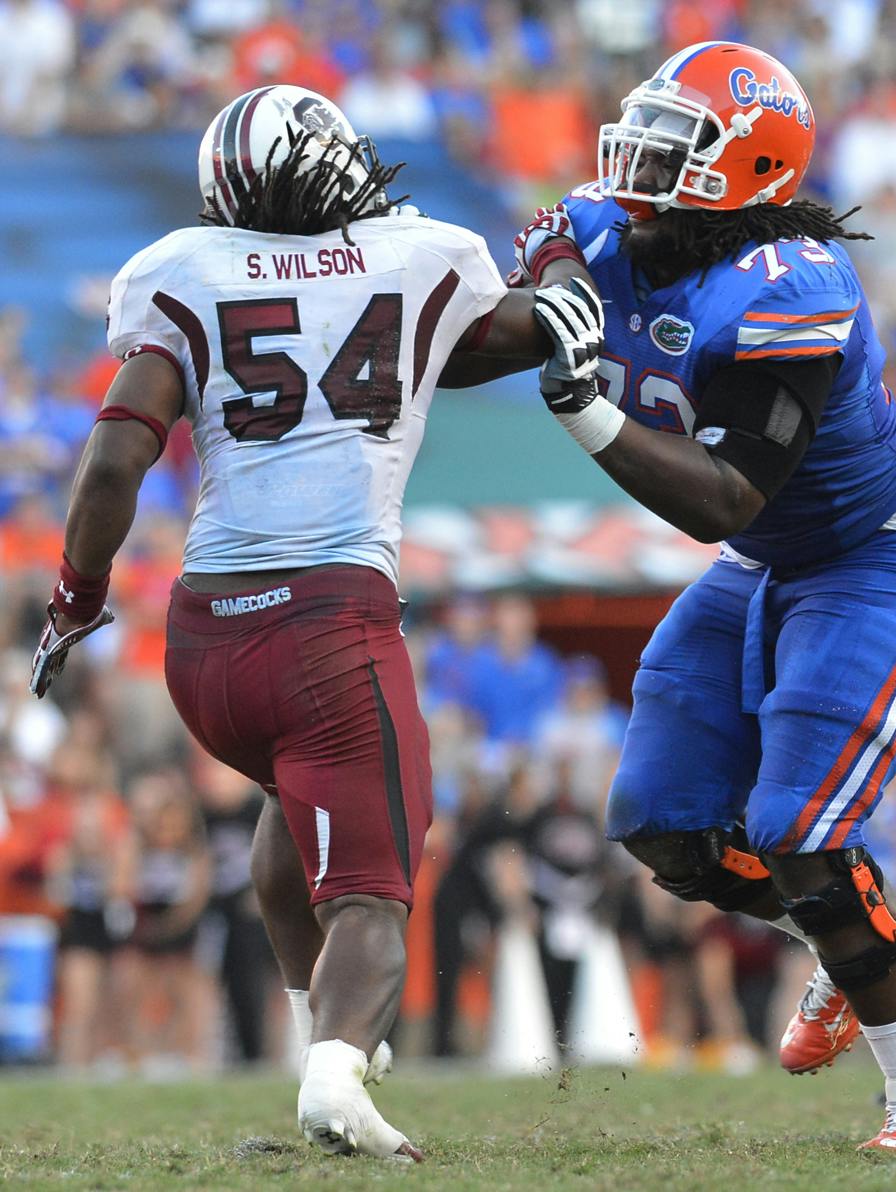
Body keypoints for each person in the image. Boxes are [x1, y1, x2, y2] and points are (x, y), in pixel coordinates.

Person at [27, 84, 597, 1161]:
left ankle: (316, 1051)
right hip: (330, 624)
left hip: (206, 649)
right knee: (375, 892)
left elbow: (111, 460)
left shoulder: (183, 273)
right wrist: (566, 255)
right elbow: (540, 327)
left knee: (290, 849)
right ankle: (338, 1075)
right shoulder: (415, 254)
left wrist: (76, 600)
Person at [484, 40, 896, 1151]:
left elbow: (722, 499)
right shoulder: (614, 222)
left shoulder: (789, 287)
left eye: (676, 144)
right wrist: (539, 307)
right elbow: (536, 285)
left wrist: (587, 409)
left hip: (879, 553)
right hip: (771, 559)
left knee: (800, 825)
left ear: (746, 166)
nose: (641, 159)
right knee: (662, 822)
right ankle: (860, 931)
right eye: (646, 131)